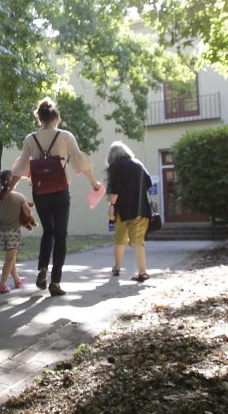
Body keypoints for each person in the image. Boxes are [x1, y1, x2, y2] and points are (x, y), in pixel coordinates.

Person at [11, 97, 102, 296]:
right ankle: (55, 282)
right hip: (60, 190)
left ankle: (42, 269)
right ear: (56, 117)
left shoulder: (30, 139)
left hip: (40, 191)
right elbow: (80, 160)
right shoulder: (66, 136)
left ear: (39, 118)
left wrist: (9, 187)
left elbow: (20, 167)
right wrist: (94, 182)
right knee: (61, 235)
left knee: (48, 231)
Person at [106, 141, 152, 282]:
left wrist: (111, 207)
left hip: (122, 211)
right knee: (138, 242)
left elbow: (114, 192)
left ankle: (117, 268)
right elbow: (149, 184)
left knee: (120, 240)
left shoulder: (114, 167)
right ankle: (142, 272)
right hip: (141, 209)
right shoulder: (138, 164)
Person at [0, 170, 32, 294]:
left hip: (2, 233)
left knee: (10, 257)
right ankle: (2, 284)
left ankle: (17, 279)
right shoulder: (19, 197)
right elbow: (28, 212)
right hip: (13, 232)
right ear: (12, 181)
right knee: (10, 258)